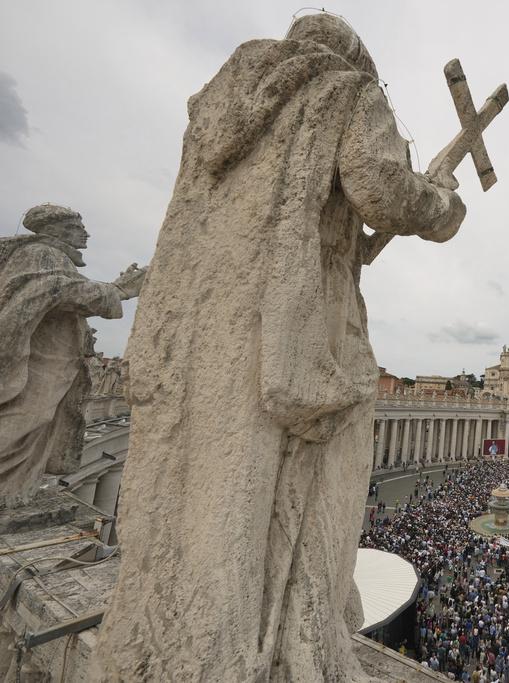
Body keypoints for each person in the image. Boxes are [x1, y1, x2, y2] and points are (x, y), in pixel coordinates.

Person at [91, 13, 465, 682]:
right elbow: (381, 189)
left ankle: (185, 640)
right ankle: (295, 635)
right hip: (303, 319)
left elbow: (337, 217)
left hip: (211, 323)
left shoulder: (224, 106)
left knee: (212, 485)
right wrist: (442, 199)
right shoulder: (346, 90)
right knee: (323, 479)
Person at [0, 204, 144, 506]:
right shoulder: (40, 253)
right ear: (57, 229)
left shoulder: (54, 257)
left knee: (36, 421)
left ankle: (13, 491)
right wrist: (117, 290)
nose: (86, 233)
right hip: (37, 365)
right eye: (79, 228)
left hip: (49, 364)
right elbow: (54, 290)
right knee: (26, 419)